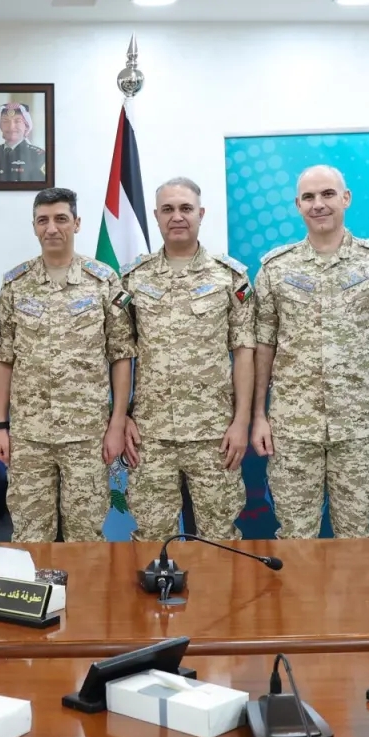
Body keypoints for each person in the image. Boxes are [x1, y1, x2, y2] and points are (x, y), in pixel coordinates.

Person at [250, 165, 369, 539]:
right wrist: (258, 415)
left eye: (327, 194)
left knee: (356, 536)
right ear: (297, 205)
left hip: (359, 428)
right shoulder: (275, 268)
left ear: (346, 198)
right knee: (295, 537)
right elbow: (263, 345)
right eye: (308, 197)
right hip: (292, 429)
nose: (318, 204)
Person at [0, 187, 136, 542]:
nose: (52, 228)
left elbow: (121, 355)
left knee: (86, 538)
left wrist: (117, 422)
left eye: (61, 219)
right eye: (43, 220)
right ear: (34, 227)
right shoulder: (15, 285)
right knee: (30, 536)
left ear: (77, 223)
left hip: (87, 435)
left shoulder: (103, 281)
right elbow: (4, 359)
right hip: (29, 436)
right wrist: (2, 426)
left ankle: (85, 585)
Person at [119, 178, 253, 541]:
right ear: (156, 216)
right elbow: (119, 353)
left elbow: (244, 352)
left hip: (214, 433)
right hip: (150, 434)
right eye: (168, 209)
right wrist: (122, 417)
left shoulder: (230, 277)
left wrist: (241, 421)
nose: (177, 216)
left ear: (201, 214)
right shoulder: (133, 279)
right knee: (151, 541)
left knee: (219, 540)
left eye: (185, 208)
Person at [0, 98, 47, 183]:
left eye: (17, 121)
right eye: (5, 121)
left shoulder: (39, 156)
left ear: (26, 126)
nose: (11, 127)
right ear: (0, 126)